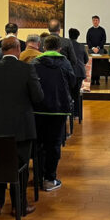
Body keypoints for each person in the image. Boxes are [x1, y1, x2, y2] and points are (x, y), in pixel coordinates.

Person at [0, 37, 44, 216]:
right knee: (20, 167)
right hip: (21, 128)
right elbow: (38, 97)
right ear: (18, 49)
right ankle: (18, 205)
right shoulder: (27, 69)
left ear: (2, 50)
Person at [31, 35, 75, 191]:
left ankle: (37, 177)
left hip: (39, 109)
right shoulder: (65, 62)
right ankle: (50, 179)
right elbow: (72, 81)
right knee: (54, 144)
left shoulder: (35, 62)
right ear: (59, 48)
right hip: (59, 109)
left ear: (43, 47)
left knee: (39, 143)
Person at [69, 28, 88, 117]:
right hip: (79, 72)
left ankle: (69, 112)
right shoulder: (81, 46)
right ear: (77, 36)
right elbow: (86, 60)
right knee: (76, 93)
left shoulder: (66, 45)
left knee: (69, 92)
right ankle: (76, 114)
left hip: (69, 72)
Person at [87, 15, 106, 85]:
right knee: (92, 65)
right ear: (92, 21)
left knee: (98, 65)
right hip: (91, 50)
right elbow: (88, 41)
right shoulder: (90, 30)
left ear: (99, 21)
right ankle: (92, 80)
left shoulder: (102, 30)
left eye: (96, 20)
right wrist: (93, 48)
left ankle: (97, 80)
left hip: (100, 50)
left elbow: (103, 40)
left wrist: (98, 48)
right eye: (94, 20)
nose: (95, 22)